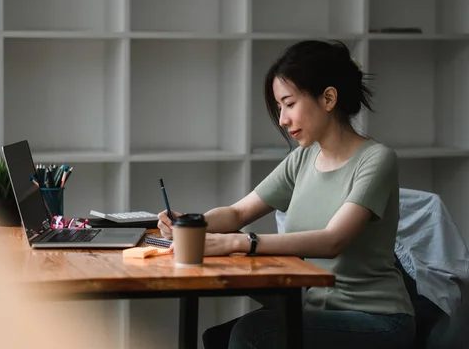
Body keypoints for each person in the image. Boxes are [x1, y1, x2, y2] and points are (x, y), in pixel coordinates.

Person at [156, 40, 416, 348]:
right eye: (280, 107)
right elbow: (239, 213)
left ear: (329, 98)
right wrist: (193, 223)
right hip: (316, 309)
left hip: (378, 319)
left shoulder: (377, 159)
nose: (282, 119)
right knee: (219, 337)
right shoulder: (304, 158)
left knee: (254, 332)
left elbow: (334, 240)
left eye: (289, 104)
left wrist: (238, 242)